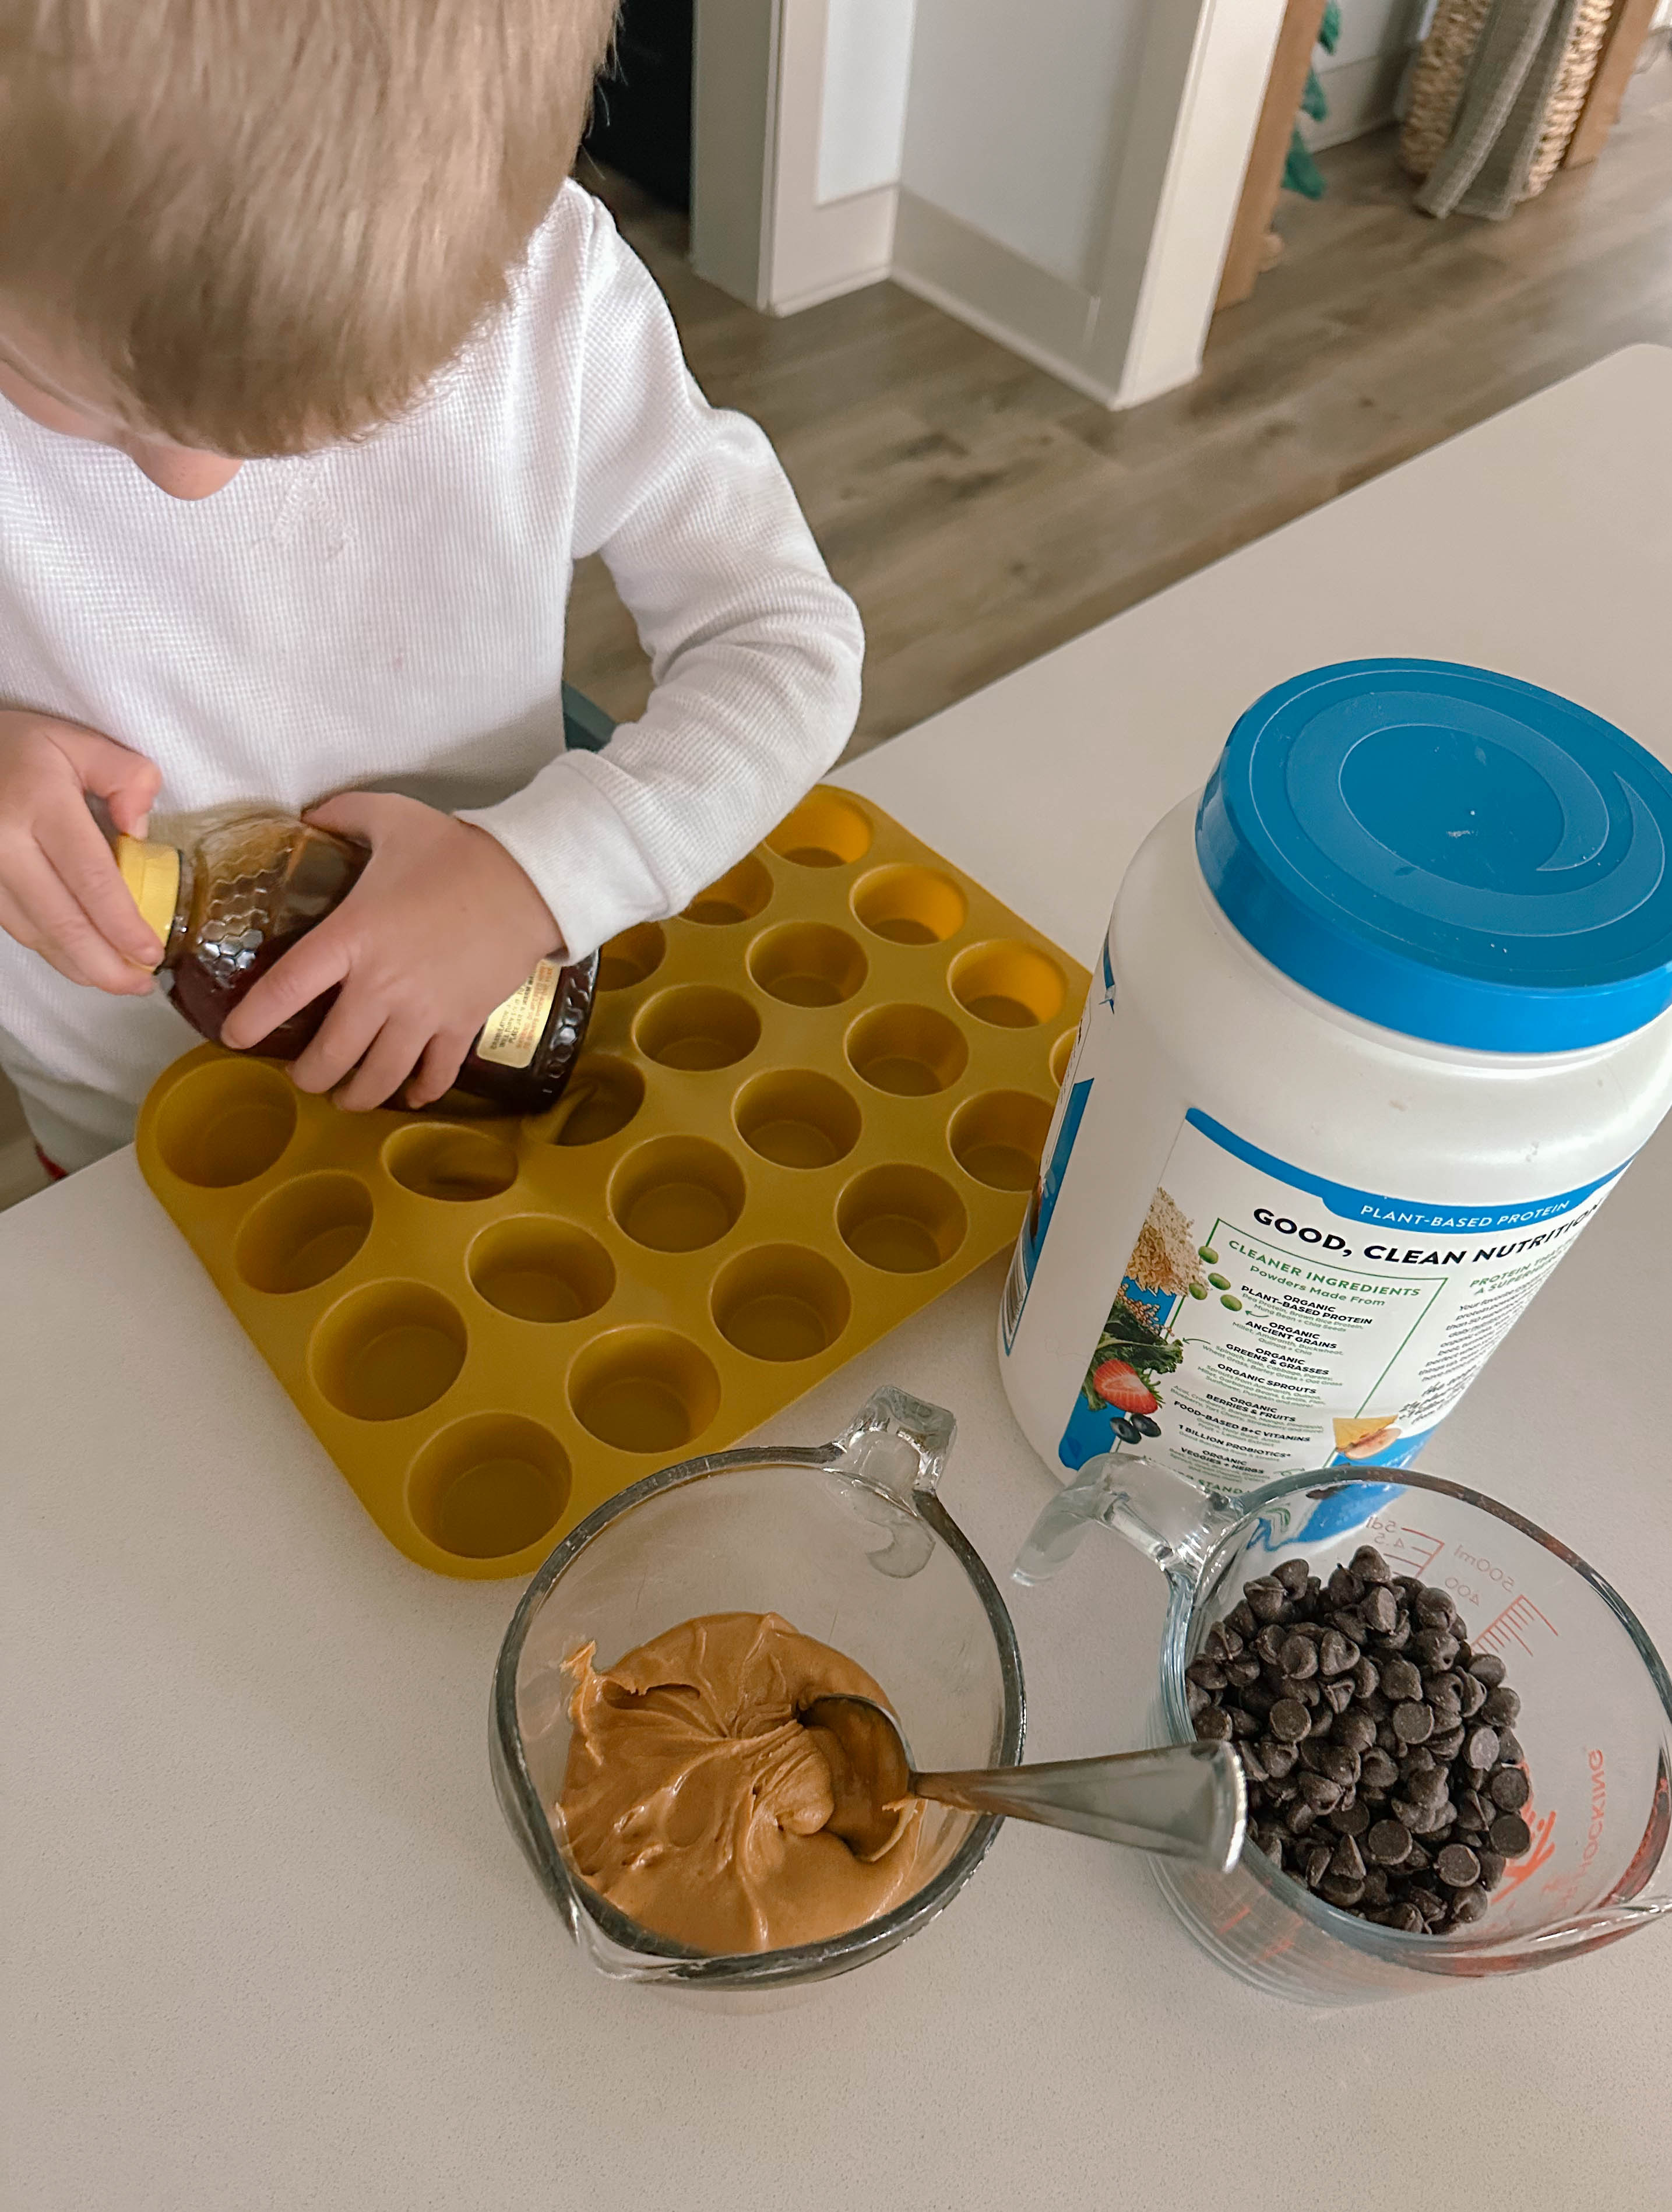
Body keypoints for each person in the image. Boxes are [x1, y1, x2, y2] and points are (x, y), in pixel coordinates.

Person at [0, 1, 864, 1170]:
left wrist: (537, 876)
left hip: (479, 1051)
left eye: (310, 424)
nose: (191, 481)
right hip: (118, 1109)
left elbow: (780, 641)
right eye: (57, 389)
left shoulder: (551, 307)